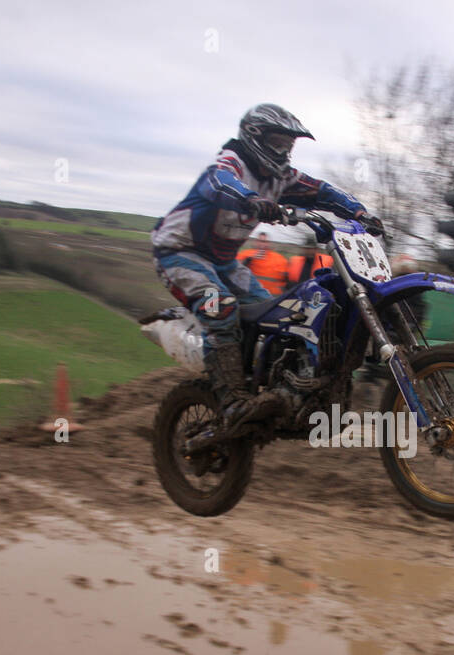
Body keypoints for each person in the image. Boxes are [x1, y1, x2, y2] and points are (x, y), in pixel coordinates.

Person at [151, 104, 382, 426]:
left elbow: (321, 191)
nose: (284, 150)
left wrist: (358, 213)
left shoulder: (281, 178)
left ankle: (268, 388)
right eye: (278, 142)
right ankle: (232, 402)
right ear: (254, 136)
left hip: (223, 261)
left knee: (276, 313)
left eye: (289, 145)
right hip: (179, 252)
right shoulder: (232, 163)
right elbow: (218, 182)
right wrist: (250, 199)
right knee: (222, 307)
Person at [235, 228, 291, 295]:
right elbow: (233, 270)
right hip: (250, 296)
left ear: (269, 243)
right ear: (255, 242)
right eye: (260, 241)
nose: (262, 244)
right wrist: (248, 260)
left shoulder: (280, 259)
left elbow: (288, 279)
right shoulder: (245, 254)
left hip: (273, 298)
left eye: (265, 241)